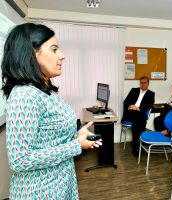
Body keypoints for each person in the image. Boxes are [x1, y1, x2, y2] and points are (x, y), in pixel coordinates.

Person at [1, 23, 102, 199]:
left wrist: (77, 135)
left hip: (61, 183)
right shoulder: (25, 95)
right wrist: (76, 145)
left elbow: (49, 138)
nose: (62, 56)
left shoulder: (46, 91)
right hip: (40, 192)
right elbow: (20, 160)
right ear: (31, 54)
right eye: (54, 50)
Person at [122, 76, 155, 157]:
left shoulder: (151, 94)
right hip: (130, 112)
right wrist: (131, 106)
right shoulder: (134, 90)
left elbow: (149, 105)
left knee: (139, 119)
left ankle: (136, 145)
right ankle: (138, 145)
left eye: (145, 83)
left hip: (140, 113)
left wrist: (138, 108)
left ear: (148, 83)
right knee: (140, 120)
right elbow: (125, 102)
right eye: (141, 83)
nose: (143, 84)